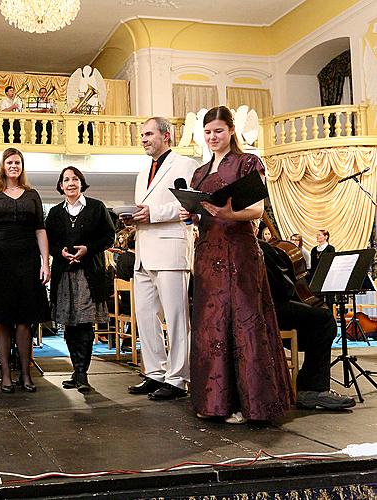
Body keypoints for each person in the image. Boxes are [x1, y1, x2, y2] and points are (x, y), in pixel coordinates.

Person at [182, 105, 293, 424]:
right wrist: (191, 213)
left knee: (242, 321)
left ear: (231, 130)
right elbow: (202, 211)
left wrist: (230, 215)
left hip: (239, 253)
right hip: (206, 254)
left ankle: (250, 404)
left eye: (218, 130)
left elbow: (258, 209)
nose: (212, 137)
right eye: (207, 132)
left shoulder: (248, 162)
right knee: (210, 324)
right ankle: (216, 402)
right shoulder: (199, 172)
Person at [125, 117, 198, 401]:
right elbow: (143, 208)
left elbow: (188, 203)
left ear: (166, 135)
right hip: (143, 252)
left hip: (170, 250)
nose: (143, 139)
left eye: (148, 134)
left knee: (177, 317)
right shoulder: (142, 172)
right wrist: (133, 218)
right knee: (144, 316)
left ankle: (178, 378)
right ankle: (155, 372)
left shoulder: (185, 165)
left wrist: (152, 215)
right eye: (141, 134)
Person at [0, 147, 50, 393]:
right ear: (3, 166)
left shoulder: (32, 195)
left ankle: (26, 374)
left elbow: (40, 229)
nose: (14, 166)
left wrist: (45, 263)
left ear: (22, 166)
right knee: (1, 319)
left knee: (25, 320)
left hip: (27, 261)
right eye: (10, 162)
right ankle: (6, 374)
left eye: (17, 162)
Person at [258, 238, 355, 410]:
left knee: (314, 319)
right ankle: (312, 388)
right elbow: (282, 290)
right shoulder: (260, 248)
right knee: (324, 320)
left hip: (247, 310)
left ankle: (308, 383)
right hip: (267, 309)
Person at [46, 166, 115, 392]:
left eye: (75, 178)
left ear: (81, 182)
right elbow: (49, 242)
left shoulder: (96, 207)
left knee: (84, 323)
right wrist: (61, 253)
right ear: (60, 186)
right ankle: (76, 371)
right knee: (69, 324)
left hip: (88, 274)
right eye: (66, 180)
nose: (71, 183)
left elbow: (109, 236)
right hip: (64, 274)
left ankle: (83, 373)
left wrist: (88, 249)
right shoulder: (55, 213)